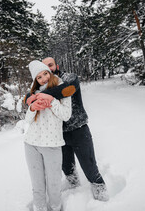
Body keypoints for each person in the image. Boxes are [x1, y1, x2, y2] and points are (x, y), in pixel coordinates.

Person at [25, 57, 109, 202]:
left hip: (79, 129)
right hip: (59, 135)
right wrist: (29, 97)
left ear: (56, 65)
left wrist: (34, 96)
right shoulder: (43, 85)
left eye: (50, 65)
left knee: (89, 166)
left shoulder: (69, 78)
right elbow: (30, 94)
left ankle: (101, 195)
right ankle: (73, 188)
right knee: (67, 168)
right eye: (44, 67)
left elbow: (64, 90)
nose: (48, 69)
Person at [24, 60, 72, 211]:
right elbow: (27, 120)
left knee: (54, 185)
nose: (44, 78)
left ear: (50, 72)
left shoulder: (61, 89)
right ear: (35, 81)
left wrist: (52, 101)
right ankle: (40, 208)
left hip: (52, 144)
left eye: (45, 73)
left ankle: (56, 208)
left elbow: (66, 115)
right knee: (37, 185)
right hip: (31, 144)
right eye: (39, 77)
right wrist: (32, 108)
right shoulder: (34, 94)